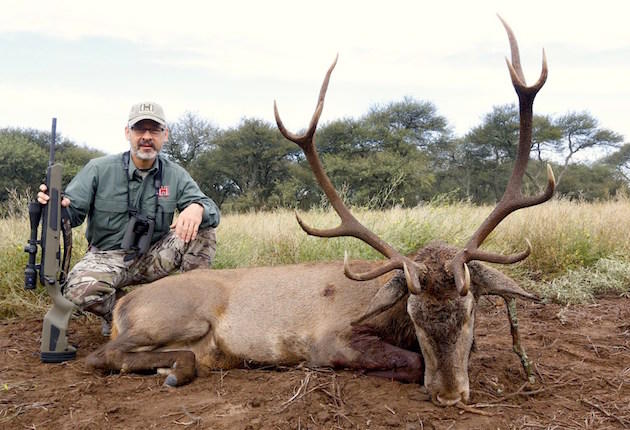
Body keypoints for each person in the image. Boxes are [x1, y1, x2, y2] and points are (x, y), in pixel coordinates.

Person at [37, 101, 220, 335]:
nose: (146, 137)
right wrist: (55, 206)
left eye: (154, 130)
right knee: (78, 290)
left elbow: (211, 210)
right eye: (139, 129)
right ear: (127, 133)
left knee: (204, 230)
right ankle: (131, 314)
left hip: (153, 255)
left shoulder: (175, 174)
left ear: (165, 135)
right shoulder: (98, 169)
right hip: (105, 257)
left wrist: (197, 208)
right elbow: (70, 217)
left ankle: (193, 314)